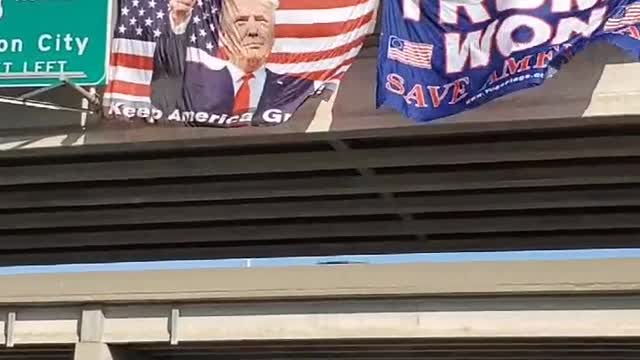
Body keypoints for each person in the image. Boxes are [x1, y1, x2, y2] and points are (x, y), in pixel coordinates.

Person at [151, 0, 317, 126]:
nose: (253, 31)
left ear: (273, 33)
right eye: (241, 22)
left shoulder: (297, 88)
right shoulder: (194, 81)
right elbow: (166, 78)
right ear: (224, 33)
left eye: (262, 21)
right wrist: (178, 22)